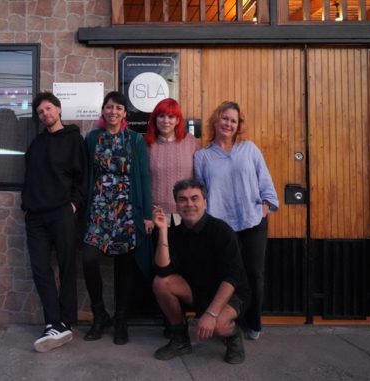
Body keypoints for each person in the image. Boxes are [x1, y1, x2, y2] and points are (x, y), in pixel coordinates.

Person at [194, 101, 279, 341]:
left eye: (233, 120)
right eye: (225, 118)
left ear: (238, 125)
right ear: (216, 120)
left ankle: (253, 323)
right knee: (227, 274)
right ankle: (229, 320)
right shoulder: (202, 156)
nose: (228, 124)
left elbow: (265, 180)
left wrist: (266, 205)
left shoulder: (249, 149)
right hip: (221, 226)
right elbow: (202, 192)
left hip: (252, 221)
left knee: (254, 273)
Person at [152, 179, 250, 364]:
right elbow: (163, 270)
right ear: (177, 204)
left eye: (194, 198)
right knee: (160, 282)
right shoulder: (176, 233)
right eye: (183, 199)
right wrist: (163, 231)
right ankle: (180, 339)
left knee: (219, 326)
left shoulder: (221, 231)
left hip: (230, 294)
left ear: (205, 202)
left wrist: (211, 314)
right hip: (197, 291)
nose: (189, 204)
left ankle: (233, 334)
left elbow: (232, 278)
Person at [82, 91, 153, 345]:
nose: (113, 112)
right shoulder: (92, 138)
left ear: (125, 113)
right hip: (99, 209)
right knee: (89, 258)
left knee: (125, 265)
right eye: (109, 107)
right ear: (103, 111)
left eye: (119, 108)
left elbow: (144, 177)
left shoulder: (134, 140)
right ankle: (100, 315)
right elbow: (86, 173)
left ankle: (121, 319)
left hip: (127, 209)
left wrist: (145, 214)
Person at [21, 92, 87, 352]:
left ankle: (66, 322)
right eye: (40, 112)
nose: (45, 114)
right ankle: (53, 322)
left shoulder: (74, 139)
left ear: (58, 110)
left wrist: (73, 205)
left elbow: (82, 177)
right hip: (35, 216)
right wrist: (27, 206)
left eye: (48, 108)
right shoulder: (36, 144)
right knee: (41, 270)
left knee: (67, 266)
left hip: (62, 212)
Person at [145, 98, 201, 226]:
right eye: (161, 116)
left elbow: (199, 177)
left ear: (177, 120)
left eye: (171, 117)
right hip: (157, 215)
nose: (166, 121)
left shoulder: (191, 142)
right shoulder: (145, 145)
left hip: (187, 212)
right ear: (155, 119)